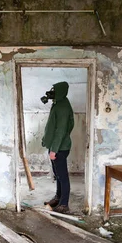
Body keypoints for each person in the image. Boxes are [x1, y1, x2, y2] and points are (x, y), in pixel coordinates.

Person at [41, 81, 74, 214]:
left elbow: (60, 131)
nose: (52, 92)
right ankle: (58, 198)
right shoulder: (59, 103)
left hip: (59, 148)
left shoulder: (62, 107)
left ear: (61, 92)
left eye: (54, 90)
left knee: (62, 176)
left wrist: (54, 150)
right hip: (57, 146)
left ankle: (64, 204)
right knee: (58, 175)